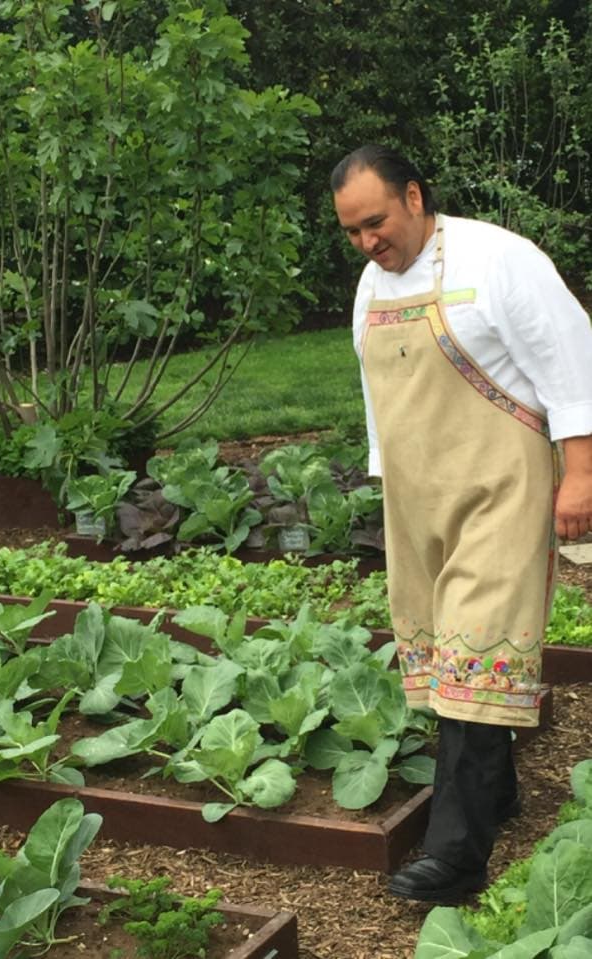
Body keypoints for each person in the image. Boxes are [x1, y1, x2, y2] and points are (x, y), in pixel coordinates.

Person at [331, 144, 592, 904]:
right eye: (351, 231)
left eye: (374, 222)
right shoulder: (370, 284)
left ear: (413, 196)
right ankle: (495, 792)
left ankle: (455, 856)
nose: (366, 242)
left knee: (476, 652)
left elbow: (572, 364)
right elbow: (376, 388)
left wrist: (579, 474)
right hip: (418, 497)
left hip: (498, 488)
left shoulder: (499, 259)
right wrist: (391, 481)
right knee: (446, 653)